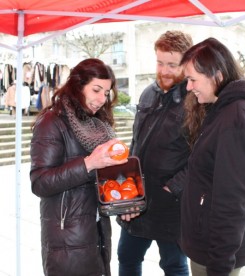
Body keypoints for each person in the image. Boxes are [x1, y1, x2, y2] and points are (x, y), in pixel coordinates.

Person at [30, 58, 136, 276]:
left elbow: (102, 181)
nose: (101, 99)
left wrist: (124, 202)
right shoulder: (51, 122)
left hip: (97, 233)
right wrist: (88, 164)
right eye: (96, 90)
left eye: (106, 93)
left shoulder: (97, 124)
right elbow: (40, 182)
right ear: (78, 85)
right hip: (66, 240)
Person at [179, 37, 245, 276]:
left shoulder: (236, 117)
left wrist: (220, 265)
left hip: (216, 255)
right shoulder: (221, 110)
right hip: (209, 245)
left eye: (192, 79)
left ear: (217, 76)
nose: (188, 87)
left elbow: (233, 200)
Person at [117, 30, 193, 276]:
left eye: (172, 64)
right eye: (160, 62)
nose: (164, 70)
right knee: (126, 256)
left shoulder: (196, 100)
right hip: (135, 198)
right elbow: (136, 141)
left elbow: (203, 158)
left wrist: (173, 188)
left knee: (174, 265)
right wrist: (125, 181)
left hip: (170, 204)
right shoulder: (148, 92)